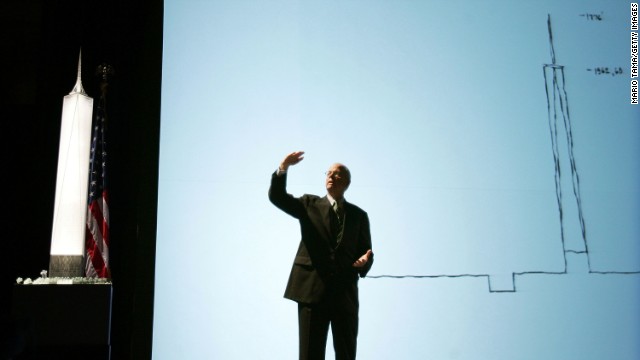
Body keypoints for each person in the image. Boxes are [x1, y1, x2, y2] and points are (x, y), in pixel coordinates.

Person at [269, 151, 373, 360]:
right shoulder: (309, 204)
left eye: (337, 174)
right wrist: (283, 168)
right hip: (311, 290)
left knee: (346, 353)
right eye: (329, 173)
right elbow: (278, 197)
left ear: (347, 183)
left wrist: (364, 262)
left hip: (344, 294)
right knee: (310, 354)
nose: (331, 176)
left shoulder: (359, 216)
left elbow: (367, 252)